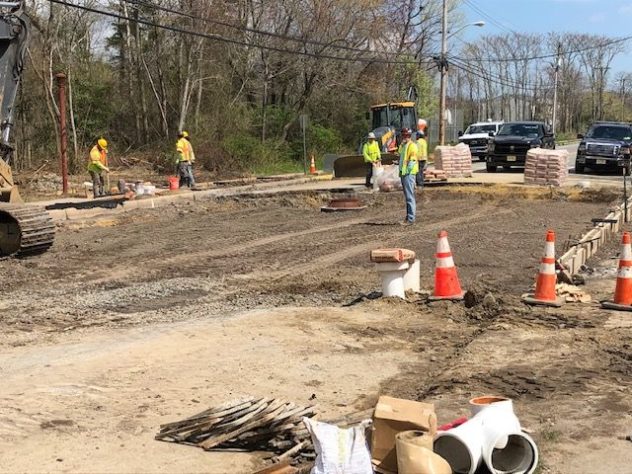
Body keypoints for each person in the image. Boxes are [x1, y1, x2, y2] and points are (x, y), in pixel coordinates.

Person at [398, 128, 418, 225]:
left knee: (410, 196)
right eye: (403, 135)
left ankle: (410, 219)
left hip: (408, 174)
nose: (404, 137)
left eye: (406, 135)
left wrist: (407, 171)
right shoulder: (404, 146)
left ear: (409, 136)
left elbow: (413, 160)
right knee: (408, 196)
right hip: (404, 173)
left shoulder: (412, 146)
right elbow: (401, 156)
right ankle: (408, 217)